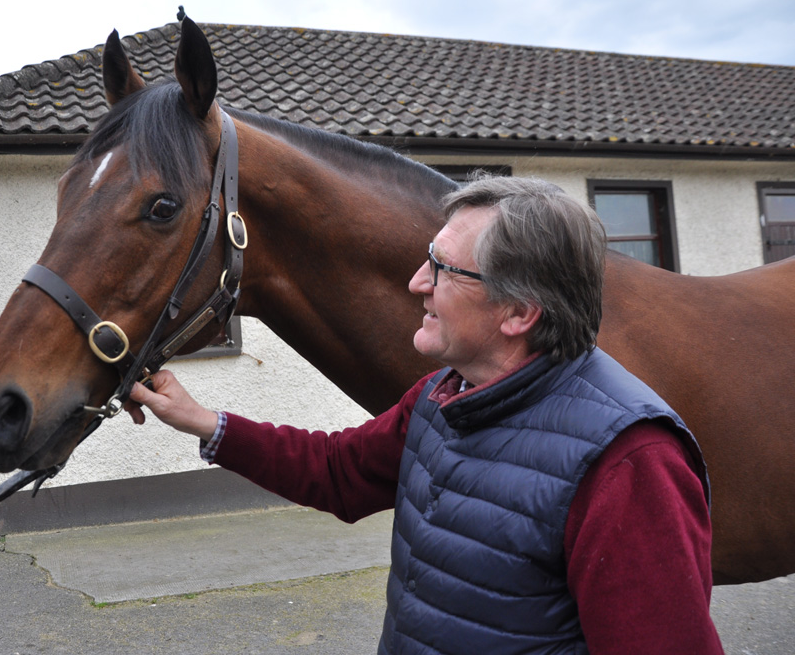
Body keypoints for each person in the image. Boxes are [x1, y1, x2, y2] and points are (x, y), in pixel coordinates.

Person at [128, 175, 724, 655]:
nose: (417, 283)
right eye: (427, 259)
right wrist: (205, 422)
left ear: (518, 310)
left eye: (443, 268)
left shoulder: (630, 463)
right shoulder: (444, 395)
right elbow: (338, 471)